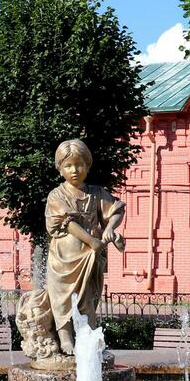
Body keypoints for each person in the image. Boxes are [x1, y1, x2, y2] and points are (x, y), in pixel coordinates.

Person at [45, 139, 124, 356]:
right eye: (68, 165)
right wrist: (92, 241)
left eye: (79, 164)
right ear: (60, 168)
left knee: (88, 298)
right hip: (63, 258)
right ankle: (65, 337)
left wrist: (110, 228)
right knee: (62, 298)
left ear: (87, 166)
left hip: (90, 258)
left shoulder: (97, 193)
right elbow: (66, 223)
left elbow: (116, 210)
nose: (74, 170)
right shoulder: (57, 195)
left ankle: (88, 336)